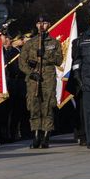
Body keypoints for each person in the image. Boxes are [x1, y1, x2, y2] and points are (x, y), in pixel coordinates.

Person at [18, 13, 64, 150]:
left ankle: (46, 136)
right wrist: (31, 72)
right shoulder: (30, 43)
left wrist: (45, 56)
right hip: (33, 79)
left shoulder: (54, 43)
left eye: (44, 23)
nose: (41, 26)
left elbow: (59, 60)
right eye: (39, 23)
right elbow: (22, 62)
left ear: (49, 24)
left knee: (48, 106)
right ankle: (36, 136)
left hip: (48, 78)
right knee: (34, 106)